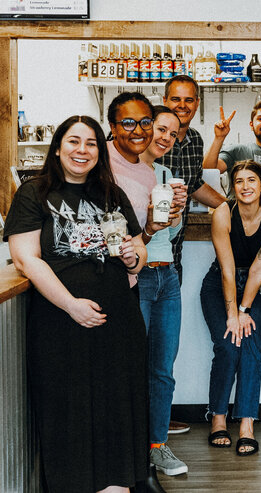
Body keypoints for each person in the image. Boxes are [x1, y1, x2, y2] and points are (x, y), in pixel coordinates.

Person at [4, 115, 148, 492]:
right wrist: (70, 304)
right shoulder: (34, 193)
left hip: (119, 319)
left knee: (118, 406)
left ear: (100, 152)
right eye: (73, 141)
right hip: (60, 322)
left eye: (91, 144)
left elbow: (137, 250)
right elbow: (26, 259)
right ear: (57, 147)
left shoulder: (111, 194)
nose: (82, 150)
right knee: (68, 410)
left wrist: (135, 256)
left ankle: (117, 486)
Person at [106, 94, 190, 476]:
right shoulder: (113, 166)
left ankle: (157, 445)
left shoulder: (166, 175)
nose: (166, 137)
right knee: (130, 366)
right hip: (133, 278)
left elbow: (167, 235)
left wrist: (177, 211)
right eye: (161, 128)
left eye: (174, 133)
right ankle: (129, 450)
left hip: (165, 276)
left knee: (162, 369)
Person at [200, 160, 261, 456]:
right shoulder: (223, 213)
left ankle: (247, 424)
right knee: (226, 344)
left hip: (256, 288)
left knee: (249, 343)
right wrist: (232, 313)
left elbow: (260, 267)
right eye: (239, 181)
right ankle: (218, 418)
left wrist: (244, 310)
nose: (246, 186)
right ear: (232, 187)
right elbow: (226, 270)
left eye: (252, 180)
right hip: (218, 285)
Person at [158, 75, 226, 281]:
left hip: (174, 254)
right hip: (142, 255)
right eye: (176, 99)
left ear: (197, 103)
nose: (182, 105)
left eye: (189, 100)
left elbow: (194, 184)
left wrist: (230, 207)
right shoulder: (150, 139)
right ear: (165, 101)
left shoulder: (195, 139)